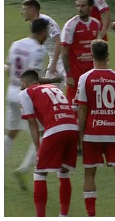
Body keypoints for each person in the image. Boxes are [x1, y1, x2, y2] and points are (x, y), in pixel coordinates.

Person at [75, 41, 115, 217]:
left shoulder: (85, 78)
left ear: (92, 56)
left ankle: (91, 215)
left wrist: (80, 136)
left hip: (92, 133)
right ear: (108, 56)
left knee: (89, 174)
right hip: (114, 133)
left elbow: (82, 109)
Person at [18, 68, 77, 217]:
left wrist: (38, 148)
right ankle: (63, 216)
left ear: (25, 83)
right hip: (72, 128)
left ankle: (41, 217)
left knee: (39, 173)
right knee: (63, 172)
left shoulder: (25, 93)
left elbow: (32, 123)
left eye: (21, 84)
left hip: (55, 129)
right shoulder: (52, 88)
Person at [7, 19, 54, 189]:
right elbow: (34, 79)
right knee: (42, 133)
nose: (47, 36)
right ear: (42, 32)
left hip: (11, 92)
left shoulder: (16, 44)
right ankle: (24, 169)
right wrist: (55, 79)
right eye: (47, 33)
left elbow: (9, 70)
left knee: (10, 133)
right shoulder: (38, 51)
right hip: (25, 95)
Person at [57, 0, 102, 96]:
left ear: (90, 7)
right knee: (73, 104)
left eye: (83, 6)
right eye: (78, 6)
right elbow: (64, 51)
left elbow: (97, 48)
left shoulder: (96, 24)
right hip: (75, 73)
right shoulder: (71, 25)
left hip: (92, 72)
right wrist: (68, 75)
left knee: (92, 100)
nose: (80, 9)